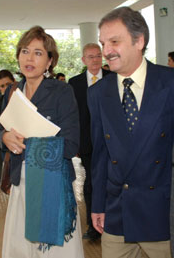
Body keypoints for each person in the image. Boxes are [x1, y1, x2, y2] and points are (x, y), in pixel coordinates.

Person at [87, 7, 174, 258]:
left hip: (162, 212)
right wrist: (98, 205)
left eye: (114, 41)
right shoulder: (98, 93)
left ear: (139, 41)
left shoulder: (169, 82)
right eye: (104, 43)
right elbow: (100, 155)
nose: (106, 51)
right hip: (117, 213)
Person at [0, 26, 84, 258]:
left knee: (55, 252)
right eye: (25, 51)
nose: (29, 58)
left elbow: (72, 144)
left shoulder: (62, 91)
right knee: (21, 249)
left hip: (51, 183)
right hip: (20, 183)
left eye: (38, 52)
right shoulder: (12, 92)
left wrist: (34, 142)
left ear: (49, 61)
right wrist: (4, 137)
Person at [69, 43, 110, 241]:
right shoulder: (74, 83)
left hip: (112, 143)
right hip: (86, 143)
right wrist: (75, 142)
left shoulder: (113, 78)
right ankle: (93, 227)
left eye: (97, 56)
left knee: (112, 182)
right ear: (83, 60)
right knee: (91, 184)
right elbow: (73, 116)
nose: (95, 60)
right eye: (90, 57)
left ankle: (112, 224)